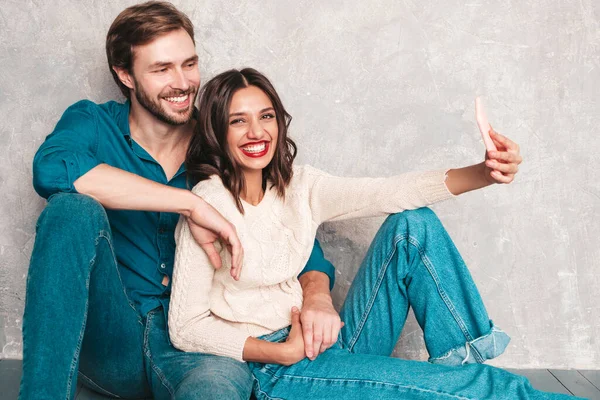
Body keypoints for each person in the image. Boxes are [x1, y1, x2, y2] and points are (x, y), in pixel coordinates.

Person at [168, 68, 581, 400]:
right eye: (238, 121)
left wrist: (484, 173)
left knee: (412, 226)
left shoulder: (299, 186)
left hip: (326, 343)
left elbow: (388, 191)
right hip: (278, 365)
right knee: (493, 389)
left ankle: (458, 379)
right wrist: (280, 351)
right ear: (217, 133)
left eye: (266, 116)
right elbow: (185, 327)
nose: (257, 132)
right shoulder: (208, 206)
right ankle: (467, 388)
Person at [19, 2, 339, 399]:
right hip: (114, 340)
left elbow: (295, 234)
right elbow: (50, 170)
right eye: (161, 69)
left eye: (189, 64)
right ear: (125, 75)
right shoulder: (93, 123)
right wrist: (189, 203)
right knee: (70, 209)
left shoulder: (224, 139)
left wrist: (318, 296)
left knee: (213, 389)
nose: (183, 82)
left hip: (196, 345)